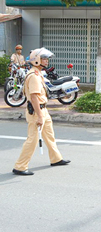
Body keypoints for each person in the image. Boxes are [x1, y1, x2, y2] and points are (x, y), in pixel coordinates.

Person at [12, 48, 70, 176]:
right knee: (32, 140)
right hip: (37, 112)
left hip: (43, 110)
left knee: (49, 136)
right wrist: (39, 116)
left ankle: (56, 158)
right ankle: (20, 166)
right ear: (36, 60)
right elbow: (34, 97)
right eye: (44, 59)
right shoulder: (34, 76)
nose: (47, 61)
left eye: (47, 59)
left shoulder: (38, 74)